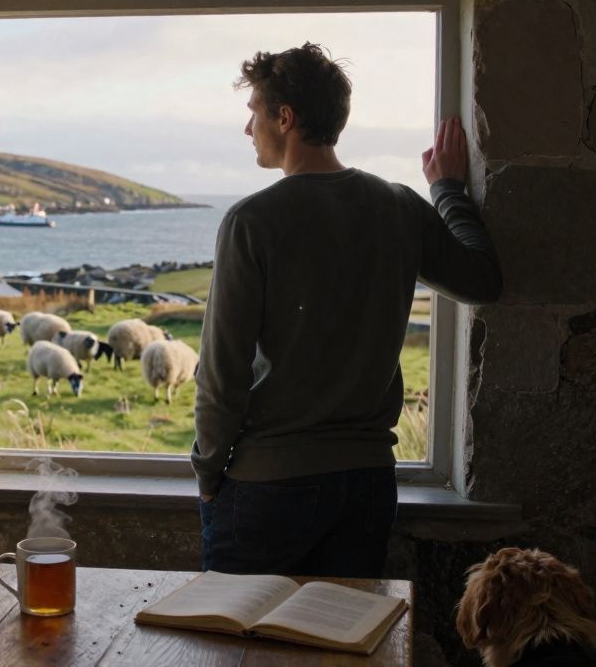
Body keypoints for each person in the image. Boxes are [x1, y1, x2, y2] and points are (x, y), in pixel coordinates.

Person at [192, 42, 502, 578]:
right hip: (365, 488)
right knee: (344, 653)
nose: (248, 131)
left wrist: (208, 474)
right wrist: (447, 190)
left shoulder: (250, 222)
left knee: (240, 655)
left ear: (284, 118)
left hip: (267, 487)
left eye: (253, 114)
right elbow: (482, 280)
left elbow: (222, 373)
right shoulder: (401, 206)